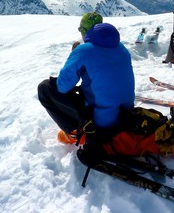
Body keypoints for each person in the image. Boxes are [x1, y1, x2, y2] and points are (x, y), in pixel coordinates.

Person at [38, 12, 135, 145]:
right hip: (126, 113)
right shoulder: (120, 47)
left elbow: (63, 86)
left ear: (85, 31)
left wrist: (73, 56)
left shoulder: (83, 51)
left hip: (102, 121)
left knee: (45, 88)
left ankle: (75, 132)